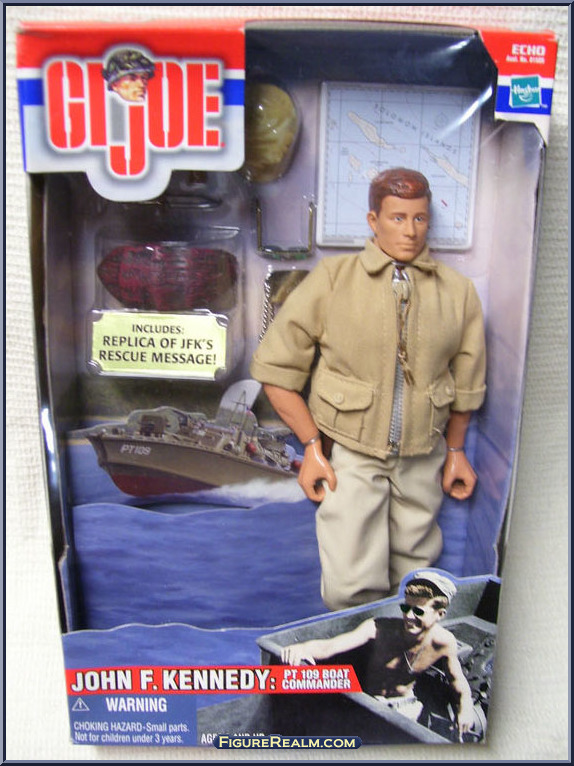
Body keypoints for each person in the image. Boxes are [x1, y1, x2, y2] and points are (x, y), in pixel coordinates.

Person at [250, 168, 486, 610]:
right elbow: (276, 368)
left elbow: (468, 384)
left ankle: (406, 641)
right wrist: (312, 446)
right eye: (398, 218)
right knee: (350, 579)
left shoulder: (457, 293)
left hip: (423, 454)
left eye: (419, 218)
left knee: (417, 571)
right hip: (352, 452)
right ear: (373, 220)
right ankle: (355, 638)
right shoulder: (334, 279)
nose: (410, 231)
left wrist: (456, 451)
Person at [281, 570, 475, 740]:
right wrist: (302, 648)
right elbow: (330, 647)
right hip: (371, 706)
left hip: (408, 708)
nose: (409, 616)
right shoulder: (378, 628)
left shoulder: (444, 642)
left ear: (440, 614)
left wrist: (465, 708)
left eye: (418, 611)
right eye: (405, 608)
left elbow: (457, 681)